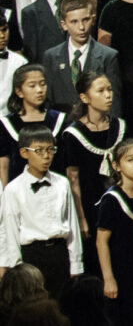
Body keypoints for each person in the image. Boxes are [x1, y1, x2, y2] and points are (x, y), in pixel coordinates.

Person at [0, 125, 83, 297]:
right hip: (32, 256)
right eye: (39, 150)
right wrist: (18, 270)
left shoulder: (62, 183)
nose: (46, 156)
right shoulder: (14, 189)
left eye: (50, 150)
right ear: (24, 153)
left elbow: (72, 225)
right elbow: (11, 232)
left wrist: (76, 264)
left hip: (60, 254)